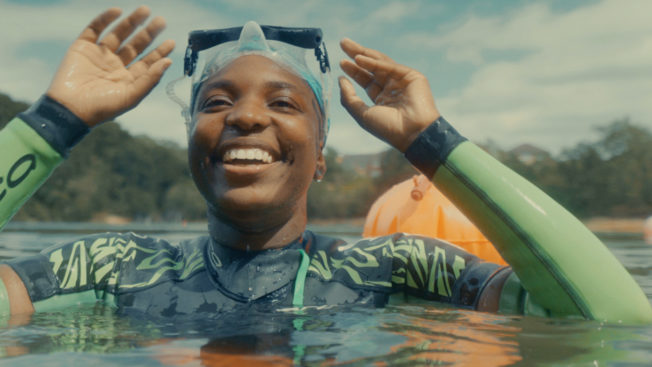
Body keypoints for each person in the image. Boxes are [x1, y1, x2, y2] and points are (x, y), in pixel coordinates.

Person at [0, 6, 650, 323]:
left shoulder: (389, 267)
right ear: (192, 148)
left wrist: (434, 142)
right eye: (217, 102)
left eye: (282, 103)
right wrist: (54, 121)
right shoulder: (117, 267)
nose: (246, 118)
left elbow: (611, 319)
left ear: (320, 161)